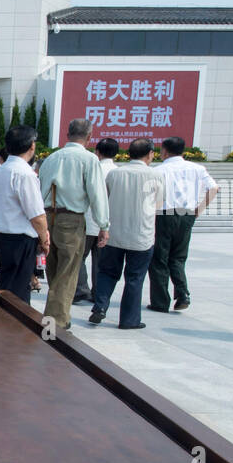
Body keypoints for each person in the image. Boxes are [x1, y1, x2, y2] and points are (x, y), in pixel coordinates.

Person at [37, 118, 110, 330]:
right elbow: (97, 194)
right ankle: (54, 324)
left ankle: (61, 315)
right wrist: (103, 225)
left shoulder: (51, 158)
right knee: (67, 274)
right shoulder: (88, 159)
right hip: (71, 218)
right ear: (89, 137)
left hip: (47, 216)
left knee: (54, 270)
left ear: (67, 134)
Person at [89, 139, 165, 330]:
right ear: (149, 154)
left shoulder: (115, 174)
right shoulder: (156, 175)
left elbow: (104, 201)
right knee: (134, 278)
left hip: (114, 233)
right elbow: (159, 205)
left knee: (107, 272)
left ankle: (99, 307)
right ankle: (129, 320)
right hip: (142, 235)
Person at [148, 136, 219, 313]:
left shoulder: (159, 170)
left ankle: (160, 301)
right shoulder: (197, 168)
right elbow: (214, 187)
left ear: (164, 151)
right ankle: (182, 293)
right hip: (187, 214)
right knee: (179, 257)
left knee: (159, 259)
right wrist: (198, 210)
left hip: (165, 215)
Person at [0, 126, 50, 301]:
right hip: (19, 241)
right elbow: (37, 215)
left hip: (1, 238)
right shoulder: (24, 174)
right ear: (32, 146)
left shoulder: (0, 172)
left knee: (7, 285)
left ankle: (0, 323)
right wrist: (44, 239)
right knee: (16, 293)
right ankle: (7, 326)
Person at [74, 137, 118, 304]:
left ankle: (80, 290)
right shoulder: (117, 172)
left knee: (78, 258)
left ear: (97, 152)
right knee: (100, 261)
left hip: (86, 221)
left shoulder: (92, 168)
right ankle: (98, 292)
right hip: (106, 224)